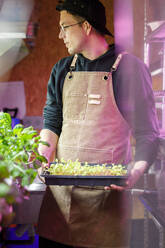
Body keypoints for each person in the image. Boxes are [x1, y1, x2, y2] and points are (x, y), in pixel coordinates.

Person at [37, 0, 159, 247]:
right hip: (60, 200)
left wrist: (134, 172)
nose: (60, 35)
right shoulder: (61, 69)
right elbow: (52, 123)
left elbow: (148, 134)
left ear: (86, 27)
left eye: (65, 27)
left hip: (105, 203)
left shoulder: (129, 69)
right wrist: (43, 156)